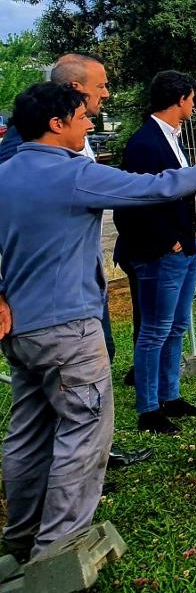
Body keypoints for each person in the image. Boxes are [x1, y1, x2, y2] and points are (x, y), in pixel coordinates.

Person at [0, 82, 196, 561]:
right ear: (57, 124)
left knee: (28, 435)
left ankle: (21, 539)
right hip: (71, 330)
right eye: (82, 116)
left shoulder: (4, 174)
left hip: (21, 333)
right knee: (83, 433)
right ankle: (58, 552)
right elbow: (160, 187)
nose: (90, 123)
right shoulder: (73, 174)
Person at [0, 54, 150, 470]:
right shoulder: (20, 146)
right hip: (50, 309)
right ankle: (67, 514)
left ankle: (85, 462)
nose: (105, 94)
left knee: (80, 392)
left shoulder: (71, 138)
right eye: (100, 86)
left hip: (77, 293)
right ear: (74, 91)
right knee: (60, 414)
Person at [112, 71, 196, 434]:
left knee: (177, 324)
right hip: (159, 253)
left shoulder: (171, 138)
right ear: (180, 99)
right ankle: (149, 410)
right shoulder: (145, 143)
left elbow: (178, 192)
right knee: (155, 329)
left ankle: (171, 395)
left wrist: (190, 232)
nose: (194, 105)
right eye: (192, 98)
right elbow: (135, 202)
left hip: (184, 246)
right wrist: (170, 240)